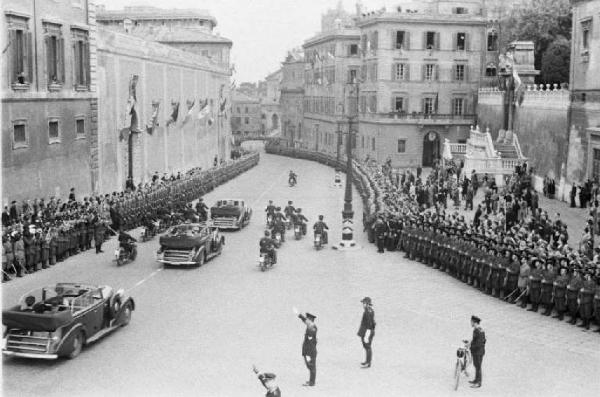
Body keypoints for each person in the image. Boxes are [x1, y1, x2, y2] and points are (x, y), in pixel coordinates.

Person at [294, 308, 317, 387]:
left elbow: (311, 342)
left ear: (310, 320)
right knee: (309, 365)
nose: (306, 320)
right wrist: (299, 315)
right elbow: (305, 320)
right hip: (308, 351)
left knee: (311, 366)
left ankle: (312, 382)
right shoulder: (310, 325)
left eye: (308, 319)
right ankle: (311, 381)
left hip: (310, 351)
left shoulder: (312, 328)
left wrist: (307, 354)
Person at [357, 296, 376, 368]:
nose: (363, 304)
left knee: (367, 346)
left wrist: (367, 333)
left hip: (367, 331)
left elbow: (369, 323)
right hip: (369, 330)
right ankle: (367, 361)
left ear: (367, 303)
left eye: (364, 303)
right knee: (367, 346)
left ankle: (368, 363)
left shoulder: (367, 311)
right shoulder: (370, 310)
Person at [469, 315, 486, 388]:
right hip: (479, 351)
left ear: (474, 322)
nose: (471, 323)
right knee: (476, 366)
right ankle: (476, 379)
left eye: (471, 322)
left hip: (478, 352)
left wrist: (471, 346)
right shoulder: (479, 329)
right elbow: (484, 340)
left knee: (478, 367)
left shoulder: (477, 330)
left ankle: (478, 383)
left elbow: (479, 343)